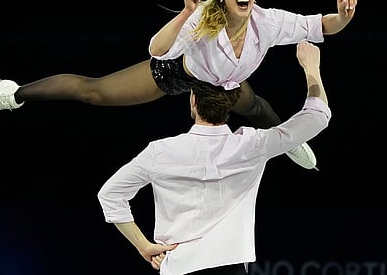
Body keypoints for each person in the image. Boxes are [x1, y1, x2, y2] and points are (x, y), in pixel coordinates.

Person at [0, 0, 356, 170]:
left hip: (225, 83)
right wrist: (185, 13)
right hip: (177, 75)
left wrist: (341, 18)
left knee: (257, 108)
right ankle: (10, 92)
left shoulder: (268, 21)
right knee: (94, 92)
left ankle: (291, 139)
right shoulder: (202, 18)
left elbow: (319, 25)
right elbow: (158, 49)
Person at [97, 41, 331, 275]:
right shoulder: (251, 145)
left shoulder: (160, 152)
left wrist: (144, 246)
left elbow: (110, 195)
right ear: (229, 104)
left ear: (193, 101)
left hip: (178, 266)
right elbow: (317, 117)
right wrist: (311, 68)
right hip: (231, 267)